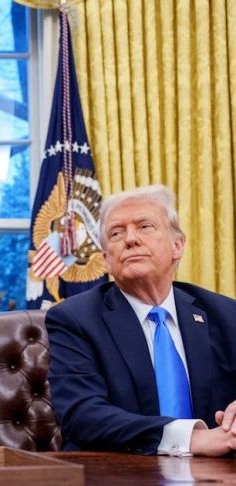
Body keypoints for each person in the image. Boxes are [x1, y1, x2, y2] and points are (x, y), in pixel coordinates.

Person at [46, 184, 236, 456]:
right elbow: (81, 414)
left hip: (216, 471)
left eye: (145, 227)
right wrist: (190, 439)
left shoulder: (226, 314)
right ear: (106, 260)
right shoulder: (74, 320)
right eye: (116, 233)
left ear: (177, 246)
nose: (131, 239)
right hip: (119, 470)